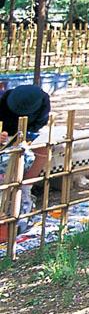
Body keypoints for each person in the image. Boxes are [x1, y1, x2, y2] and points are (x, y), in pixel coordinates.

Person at [0, 85, 52, 233]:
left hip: (17, 151)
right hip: (6, 154)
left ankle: (24, 191)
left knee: (42, 150)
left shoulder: (40, 107)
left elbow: (34, 132)